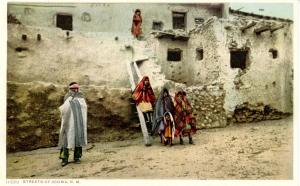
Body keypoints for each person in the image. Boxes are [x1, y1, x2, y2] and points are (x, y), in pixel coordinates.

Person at [58, 82, 88, 166]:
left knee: (78, 138)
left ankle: (77, 157)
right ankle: (64, 159)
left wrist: (77, 104)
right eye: (73, 88)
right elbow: (65, 108)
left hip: (78, 121)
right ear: (70, 89)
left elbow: (84, 107)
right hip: (68, 121)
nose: (75, 90)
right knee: (66, 139)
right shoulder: (67, 96)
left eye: (77, 88)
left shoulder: (81, 96)